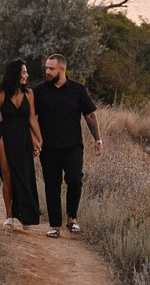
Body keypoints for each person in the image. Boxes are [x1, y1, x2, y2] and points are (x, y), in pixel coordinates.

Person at [31, 53, 101, 237]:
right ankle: (55, 226)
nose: (47, 71)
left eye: (51, 68)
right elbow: (31, 118)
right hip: (49, 148)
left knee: (74, 180)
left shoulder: (78, 89)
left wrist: (98, 139)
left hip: (73, 146)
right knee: (52, 185)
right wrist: (34, 140)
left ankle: (72, 219)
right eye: (46, 67)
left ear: (62, 69)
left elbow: (90, 115)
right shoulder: (38, 91)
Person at [0, 58, 42, 230]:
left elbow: (32, 118)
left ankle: (26, 216)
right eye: (24, 72)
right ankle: (9, 216)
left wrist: (39, 139)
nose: (27, 75)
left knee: (25, 174)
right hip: (6, 136)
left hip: (24, 136)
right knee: (7, 175)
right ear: (15, 74)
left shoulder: (29, 94)